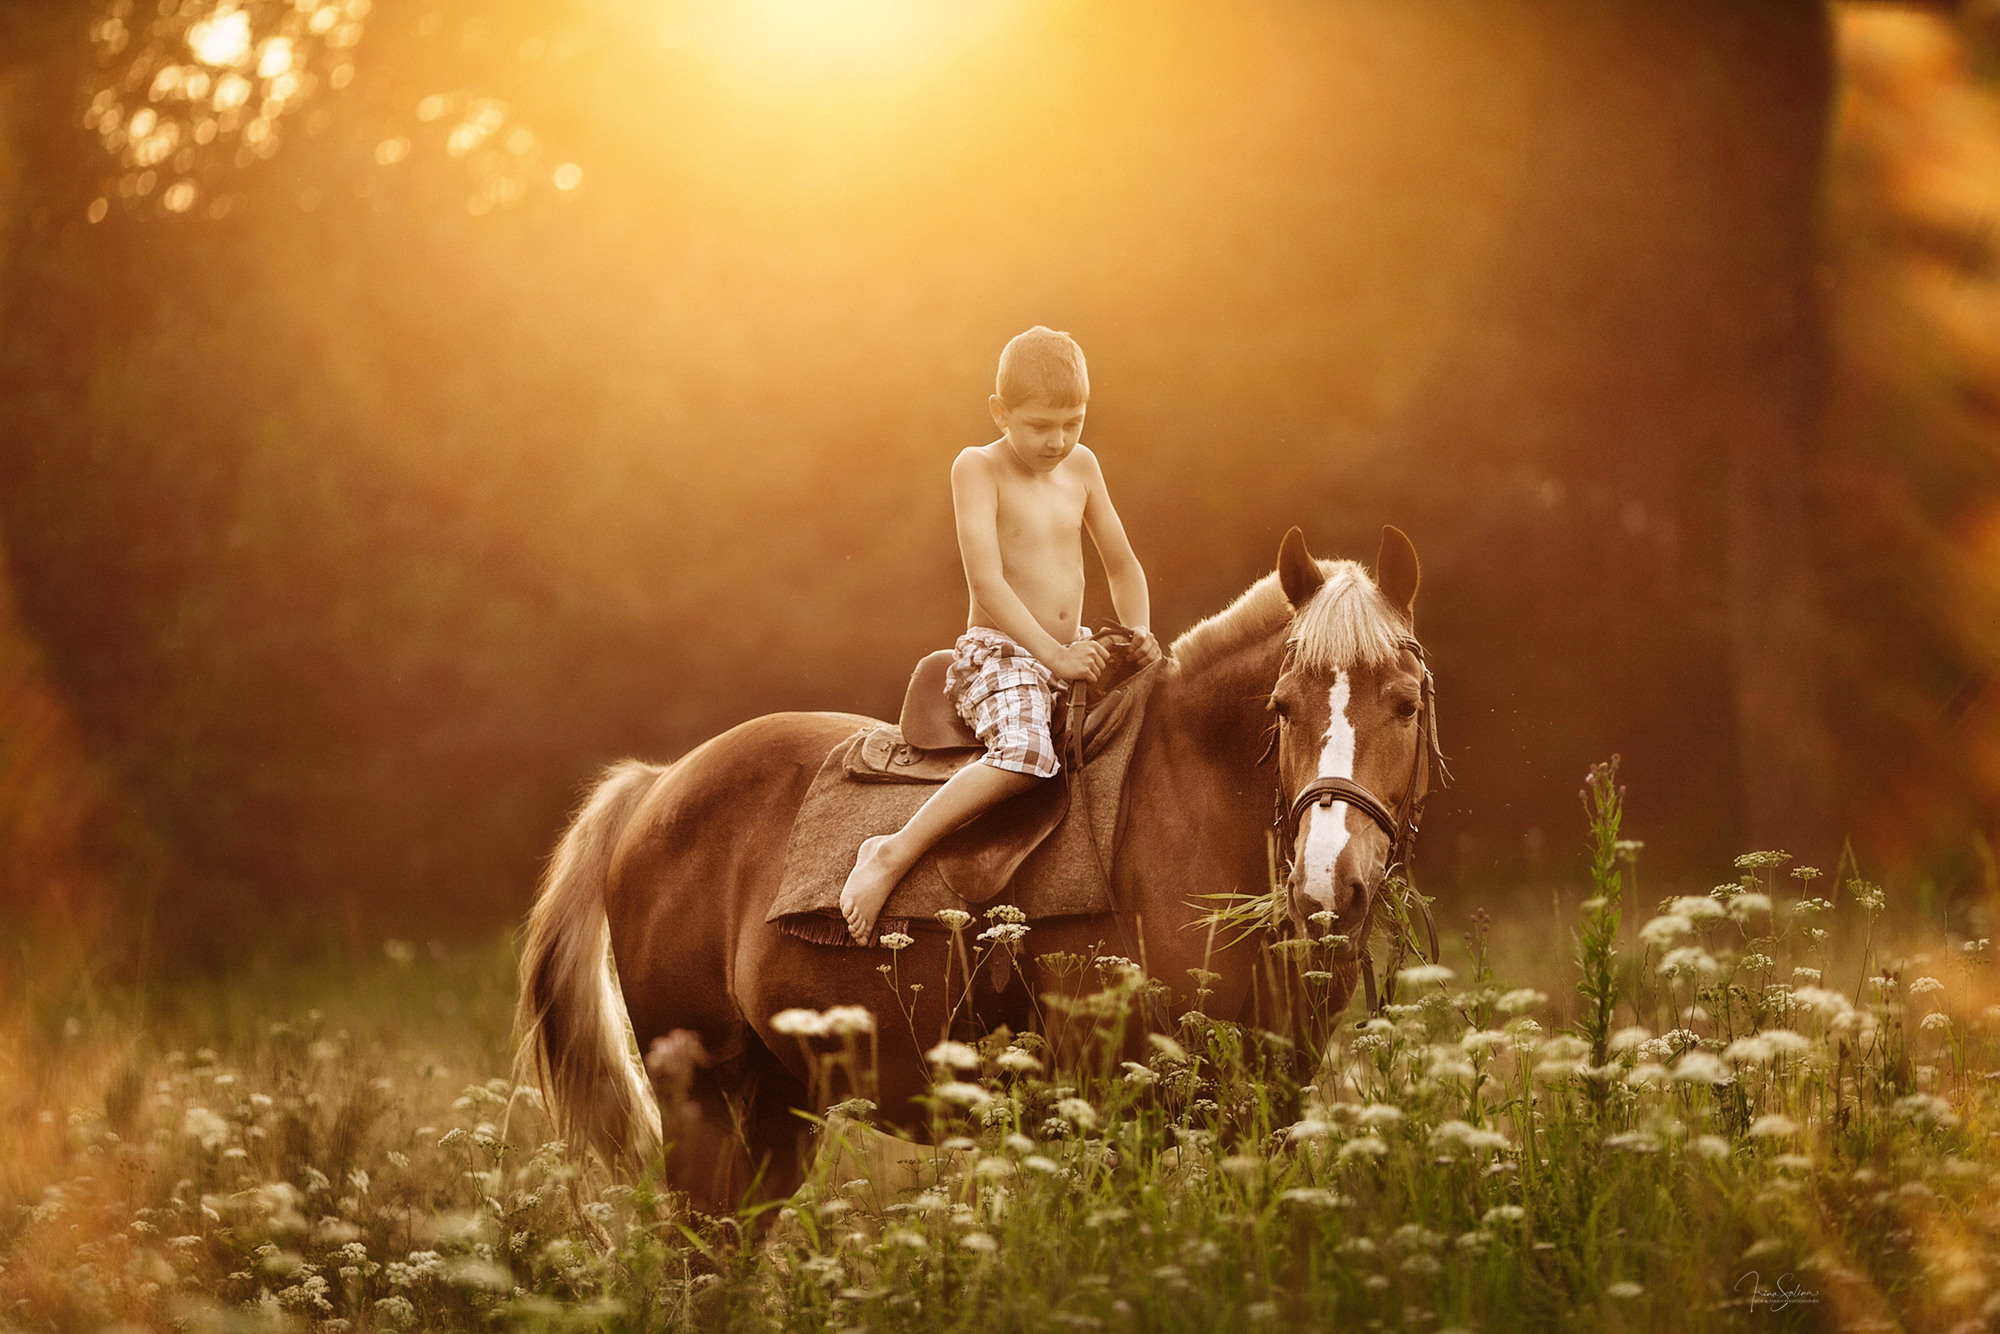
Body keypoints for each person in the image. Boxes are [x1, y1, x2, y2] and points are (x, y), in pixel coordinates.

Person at [839, 326, 1163, 944]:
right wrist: (1055, 656)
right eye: (1041, 426)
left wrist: (1140, 632)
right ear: (1000, 412)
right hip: (1002, 653)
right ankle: (890, 851)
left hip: (1069, 650)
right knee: (1027, 754)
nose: (1058, 440)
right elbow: (985, 582)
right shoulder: (977, 467)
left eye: (1073, 423)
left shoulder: (1082, 466)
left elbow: (1122, 565)